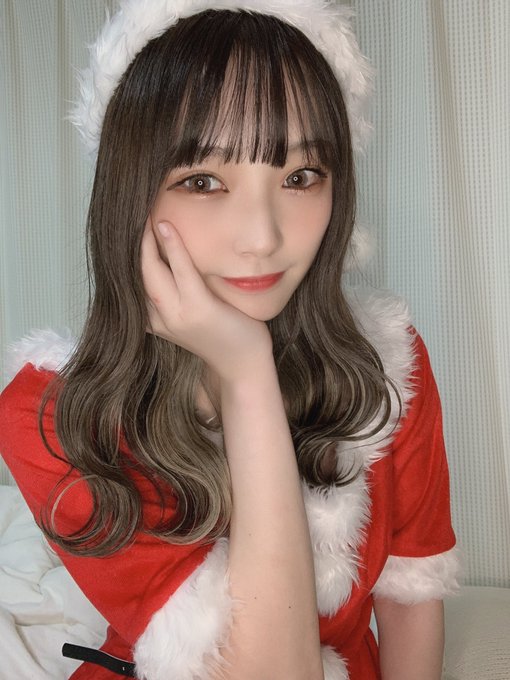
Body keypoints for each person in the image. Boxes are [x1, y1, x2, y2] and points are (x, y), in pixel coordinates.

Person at [0, 1, 460, 678]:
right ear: (132, 197)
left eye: (300, 177)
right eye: (203, 181)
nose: (262, 238)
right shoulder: (52, 413)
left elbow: (411, 597)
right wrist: (247, 374)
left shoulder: (387, 366)